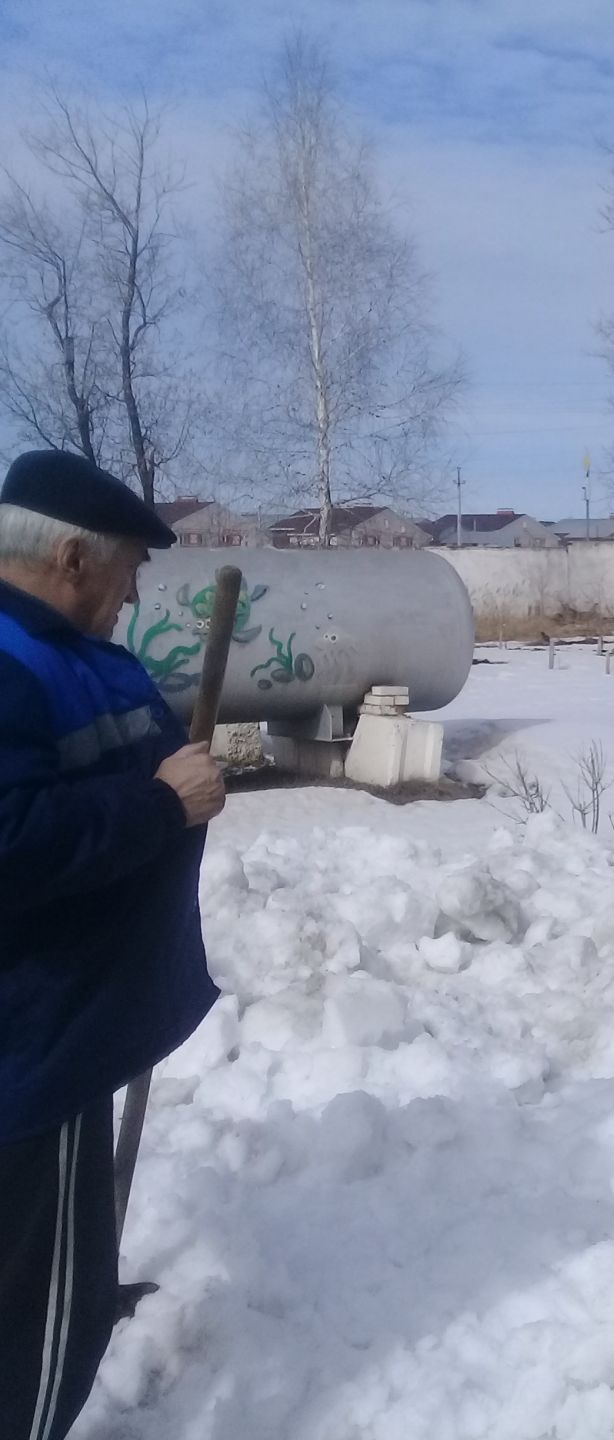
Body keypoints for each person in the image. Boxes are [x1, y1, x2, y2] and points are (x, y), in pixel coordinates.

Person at [0, 450, 225, 1440]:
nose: (138, 591)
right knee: (39, 1324)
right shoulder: (10, 663)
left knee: (45, 1278)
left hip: (72, 1034)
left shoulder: (74, 653)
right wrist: (159, 804)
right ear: (72, 557)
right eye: (131, 566)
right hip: (33, 1052)